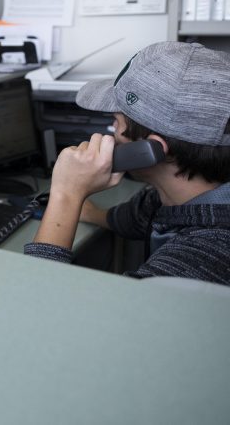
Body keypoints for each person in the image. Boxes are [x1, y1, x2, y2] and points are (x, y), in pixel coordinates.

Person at [24, 41, 230, 285]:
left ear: (151, 149)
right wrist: (88, 210)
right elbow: (140, 217)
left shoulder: (203, 260)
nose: (112, 131)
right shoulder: (184, 200)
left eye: (116, 121)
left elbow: (34, 303)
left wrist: (65, 195)